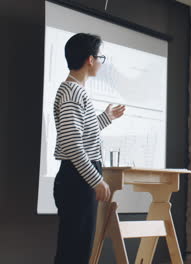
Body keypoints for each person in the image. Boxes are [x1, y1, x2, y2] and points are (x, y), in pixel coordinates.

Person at [53, 33, 126, 264]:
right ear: (90, 60)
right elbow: (72, 144)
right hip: (77, 179)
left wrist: (105, 118)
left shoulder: (75, 91)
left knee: (77, 250)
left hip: (77, 177)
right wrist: (96, 180)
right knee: (74, 253)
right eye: (100, 57)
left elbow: (81, 135)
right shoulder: (72, 92)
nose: (102, 63)